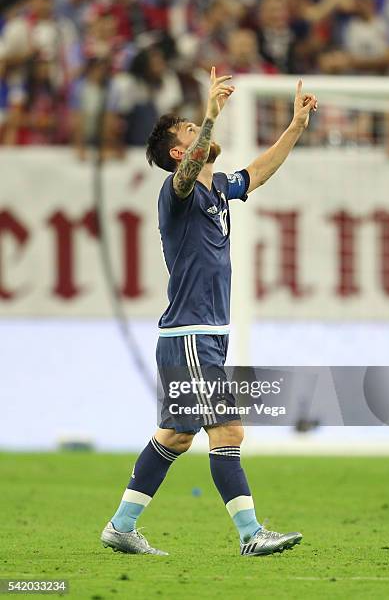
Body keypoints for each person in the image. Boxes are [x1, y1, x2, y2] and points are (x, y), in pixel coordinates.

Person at [101, 66, 318, 557]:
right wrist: (212, 116)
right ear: (180, 152)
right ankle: (250, 534)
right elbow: (186, 170)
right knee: (229, 429)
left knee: (177, 436)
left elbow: (258, 171)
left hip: (203, 333)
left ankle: (120, 526)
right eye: (191, 132)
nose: (200, 133)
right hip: (191, 333)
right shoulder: (176, 194)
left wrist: (295, 128)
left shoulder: (217, 190)